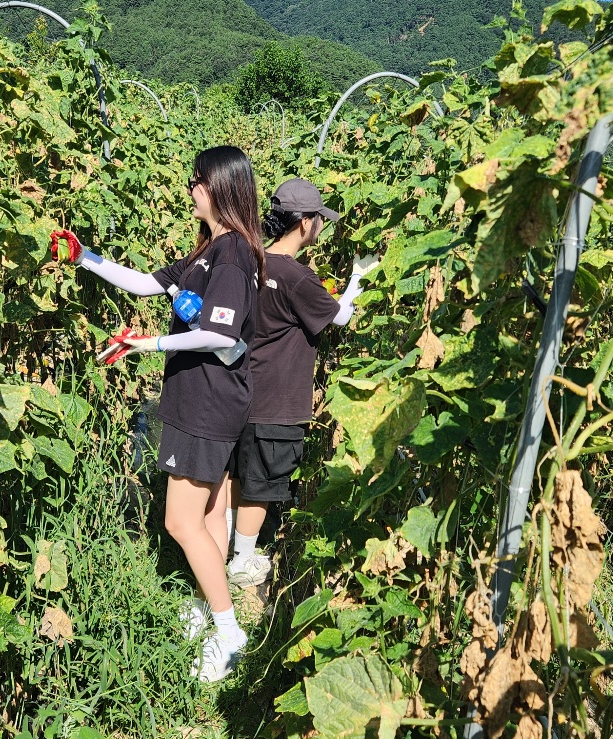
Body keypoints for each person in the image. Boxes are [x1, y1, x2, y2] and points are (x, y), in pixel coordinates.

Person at [55, 146, 264, 683]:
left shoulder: (233, 254)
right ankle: (210, 609)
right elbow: (149, 282)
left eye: (198, 180)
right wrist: (85, 258)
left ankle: (227, 632)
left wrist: (144, 343)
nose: (191, 188)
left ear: (220, 187)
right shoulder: (207, 252)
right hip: (209, 399)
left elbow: (219, 332)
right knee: (210, 514)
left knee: (178, 520)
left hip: (207, 402)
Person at [225, 178, 378, 586]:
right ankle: (241, 562)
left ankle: (224, 546)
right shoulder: (296, 277)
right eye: (320, 220)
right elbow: (340, 316)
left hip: (238, 389)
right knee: (263, 482)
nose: (321, 228)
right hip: (277, 400)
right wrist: (358, 278)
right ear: (305, 223)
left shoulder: (249, 261)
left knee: (239, 473)